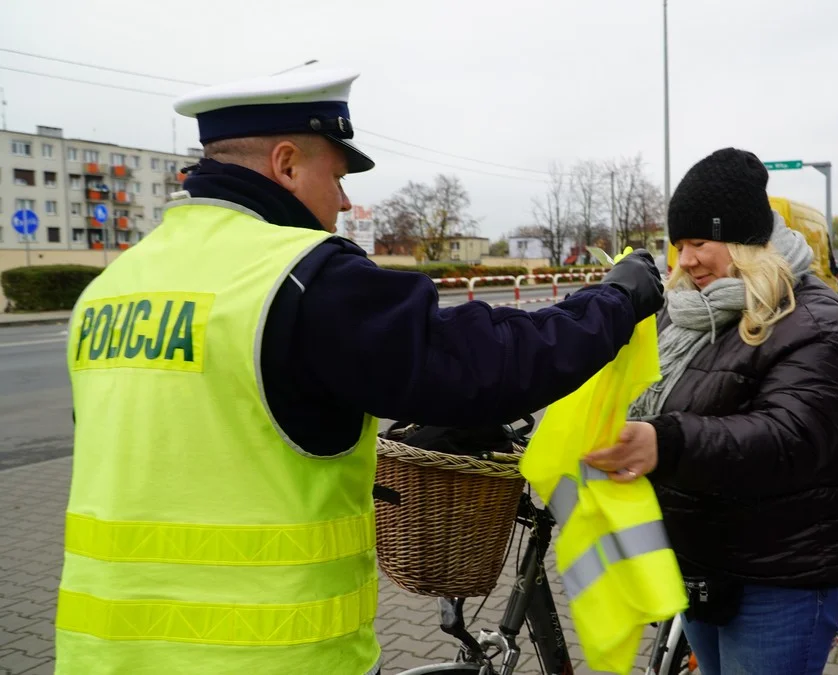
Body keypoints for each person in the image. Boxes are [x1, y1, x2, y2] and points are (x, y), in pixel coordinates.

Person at [55, 68, 663, 675]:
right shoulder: (298, 277)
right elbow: (481, 364)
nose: (345, 202)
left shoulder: (111, 289)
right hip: (270, 655)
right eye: (338, 177)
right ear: (288, 164)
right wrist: (615, 301)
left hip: (103, 653)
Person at [585, 148, 838, 674]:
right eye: (677, 245)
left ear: (746, 241)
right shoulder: (684, 317)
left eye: (700, 242)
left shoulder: (813, 321)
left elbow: (791, 437)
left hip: (782, 573)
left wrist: (665, 442)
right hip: (702, 564)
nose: (685, 260)